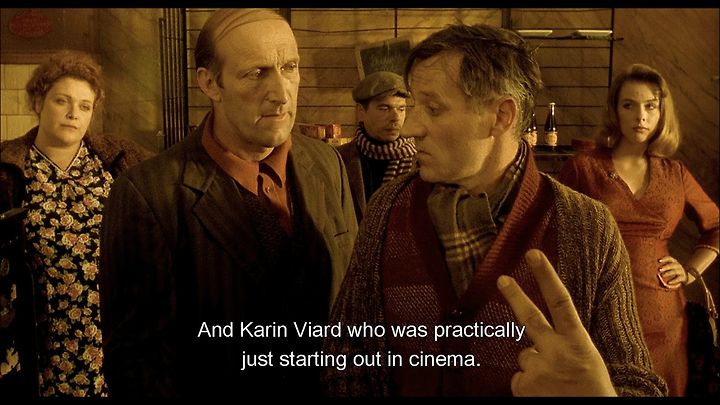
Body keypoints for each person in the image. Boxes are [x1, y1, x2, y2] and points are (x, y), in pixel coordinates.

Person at [323, 23, 667, 396]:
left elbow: (638, 383)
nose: (410, 127)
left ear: (501, 116)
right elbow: (345, 357)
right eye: (414, 106)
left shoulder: (586, 227)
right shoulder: (389, 208)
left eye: (433, 109)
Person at [99, 8, 358, 397]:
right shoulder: (149, 195)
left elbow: (352, 304)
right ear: (210, 83)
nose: (281, 93)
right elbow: (138, 367)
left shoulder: (327, 164)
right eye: (256, 73)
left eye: (289, 67)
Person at [557, 63, 719, 396]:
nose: (640, 116)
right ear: (615, 110)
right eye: (629, 105)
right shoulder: (584, 167)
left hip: (664, 316)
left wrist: (690, 271)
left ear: (662, 113)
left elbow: (716, 226)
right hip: (598, 312)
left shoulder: (675, 173)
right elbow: (551, 229)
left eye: (650, 106)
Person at [0, 50, 152, 397]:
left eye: (85, 106)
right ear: (38, 102)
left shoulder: (118, 162)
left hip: (108, 337)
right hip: (38, 342)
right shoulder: (9, 171)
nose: (73, 114)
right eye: (62, 101)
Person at [337, 71, 415, 222]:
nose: (395, 118)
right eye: (384, 108)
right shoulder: (339, 159)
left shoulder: (420, 160)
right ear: (361, 112)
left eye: (401, 109)